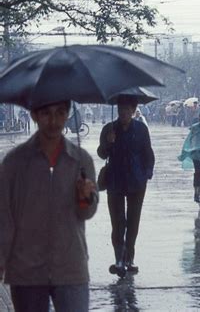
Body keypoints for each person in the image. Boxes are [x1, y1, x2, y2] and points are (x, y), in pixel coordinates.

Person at [0, 100, 98, 312]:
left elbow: (87, 212)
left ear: (68, 114)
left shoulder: (81, 161)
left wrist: (85, 197)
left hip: (71, 266)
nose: (54, 121)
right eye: (46, 113)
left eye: (60, 113)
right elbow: (4, 217)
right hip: (26, 270)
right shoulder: (14, 164)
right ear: (34, 115)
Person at [97, 96, 155, 275]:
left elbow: (148, 153)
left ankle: (129, 259)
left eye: (127, 111)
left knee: (133, 222)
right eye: (121, 111)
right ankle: (119, 259)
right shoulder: (109, 129)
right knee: (118, 222)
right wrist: (108, 142)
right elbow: (101, 153)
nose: (124, 114)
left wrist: (147, 174)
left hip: (137, 182)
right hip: (115, 180)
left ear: (133, 110)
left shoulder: (141, 129)